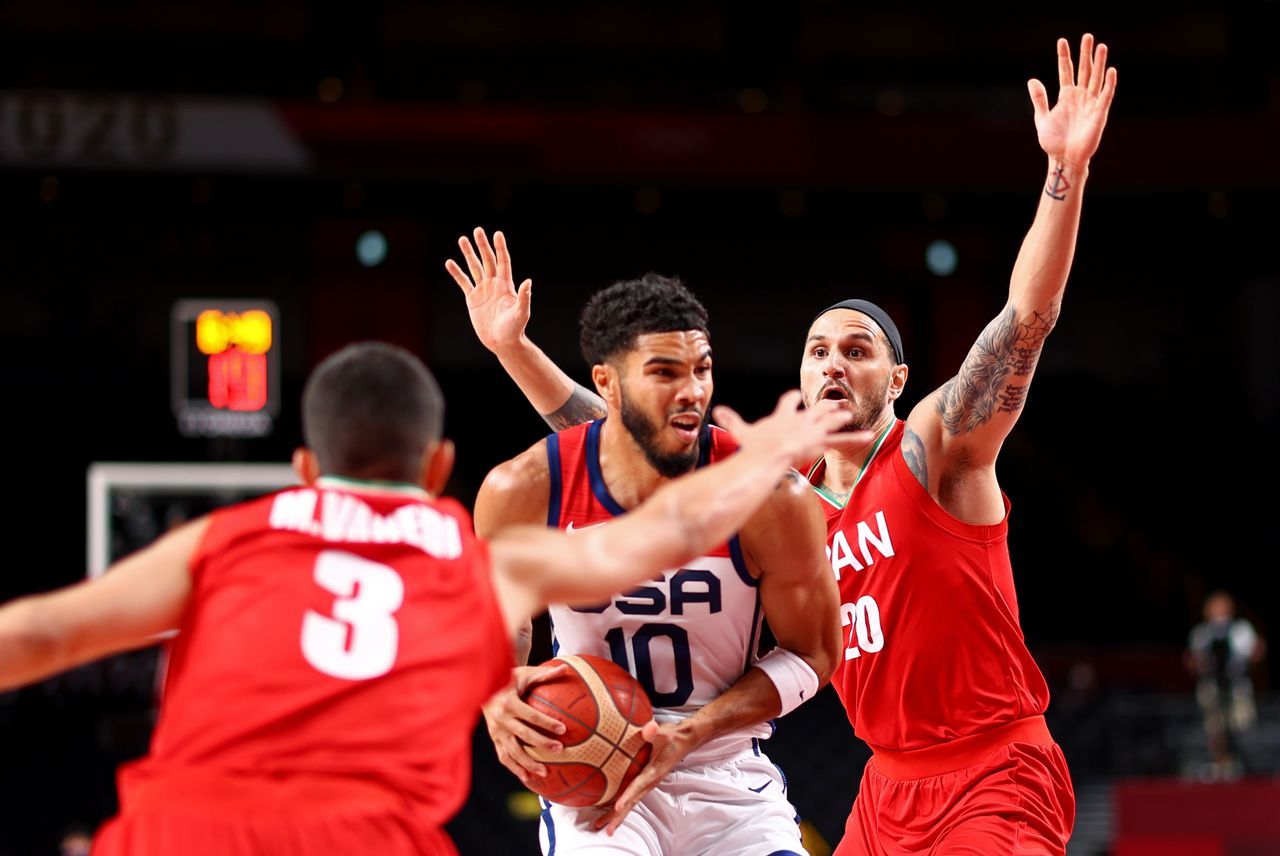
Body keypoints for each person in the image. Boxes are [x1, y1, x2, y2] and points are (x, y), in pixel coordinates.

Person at [449, 33, 1117, 855]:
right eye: (818, 349)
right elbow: (619, 430)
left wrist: (1066, 173)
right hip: (888, 781)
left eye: (858, 349)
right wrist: (514, 350)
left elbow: (1024, 322)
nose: (834, 361)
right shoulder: (777, 489)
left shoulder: (935, 451)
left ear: (898, 378)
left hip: (995, 766)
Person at [0, 342, 850, 856]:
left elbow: (37, 632)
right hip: (369, 837)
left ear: (303, 469)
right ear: (440, 467)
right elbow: (655, 536)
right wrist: (759, 458)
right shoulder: (477, 559)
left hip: (181, 831)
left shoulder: (226, 541)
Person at [447, 243, 842, 856]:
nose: (691, 391)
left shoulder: (773, 498)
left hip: (727, 772)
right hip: (593, 774)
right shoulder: (522, 489)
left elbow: (814, 654)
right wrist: (498, 690)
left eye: (702, 369)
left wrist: (689, 733)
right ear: (606, 382)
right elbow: (501, 625)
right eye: (664, 372)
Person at [1185, 591, 1265, 780]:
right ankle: (1220, 766)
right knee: (1215, 729)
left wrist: (1254, 655)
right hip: (1212, 688)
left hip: (1237, 688)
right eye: (1215, 607)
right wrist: (1197, 663)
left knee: (1242, 726)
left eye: (1222, 607)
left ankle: (1245, 766)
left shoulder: (1241, 630)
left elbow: (1256, 651)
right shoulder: (1201, 634)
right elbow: (1193, 661)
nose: (1219, 612)